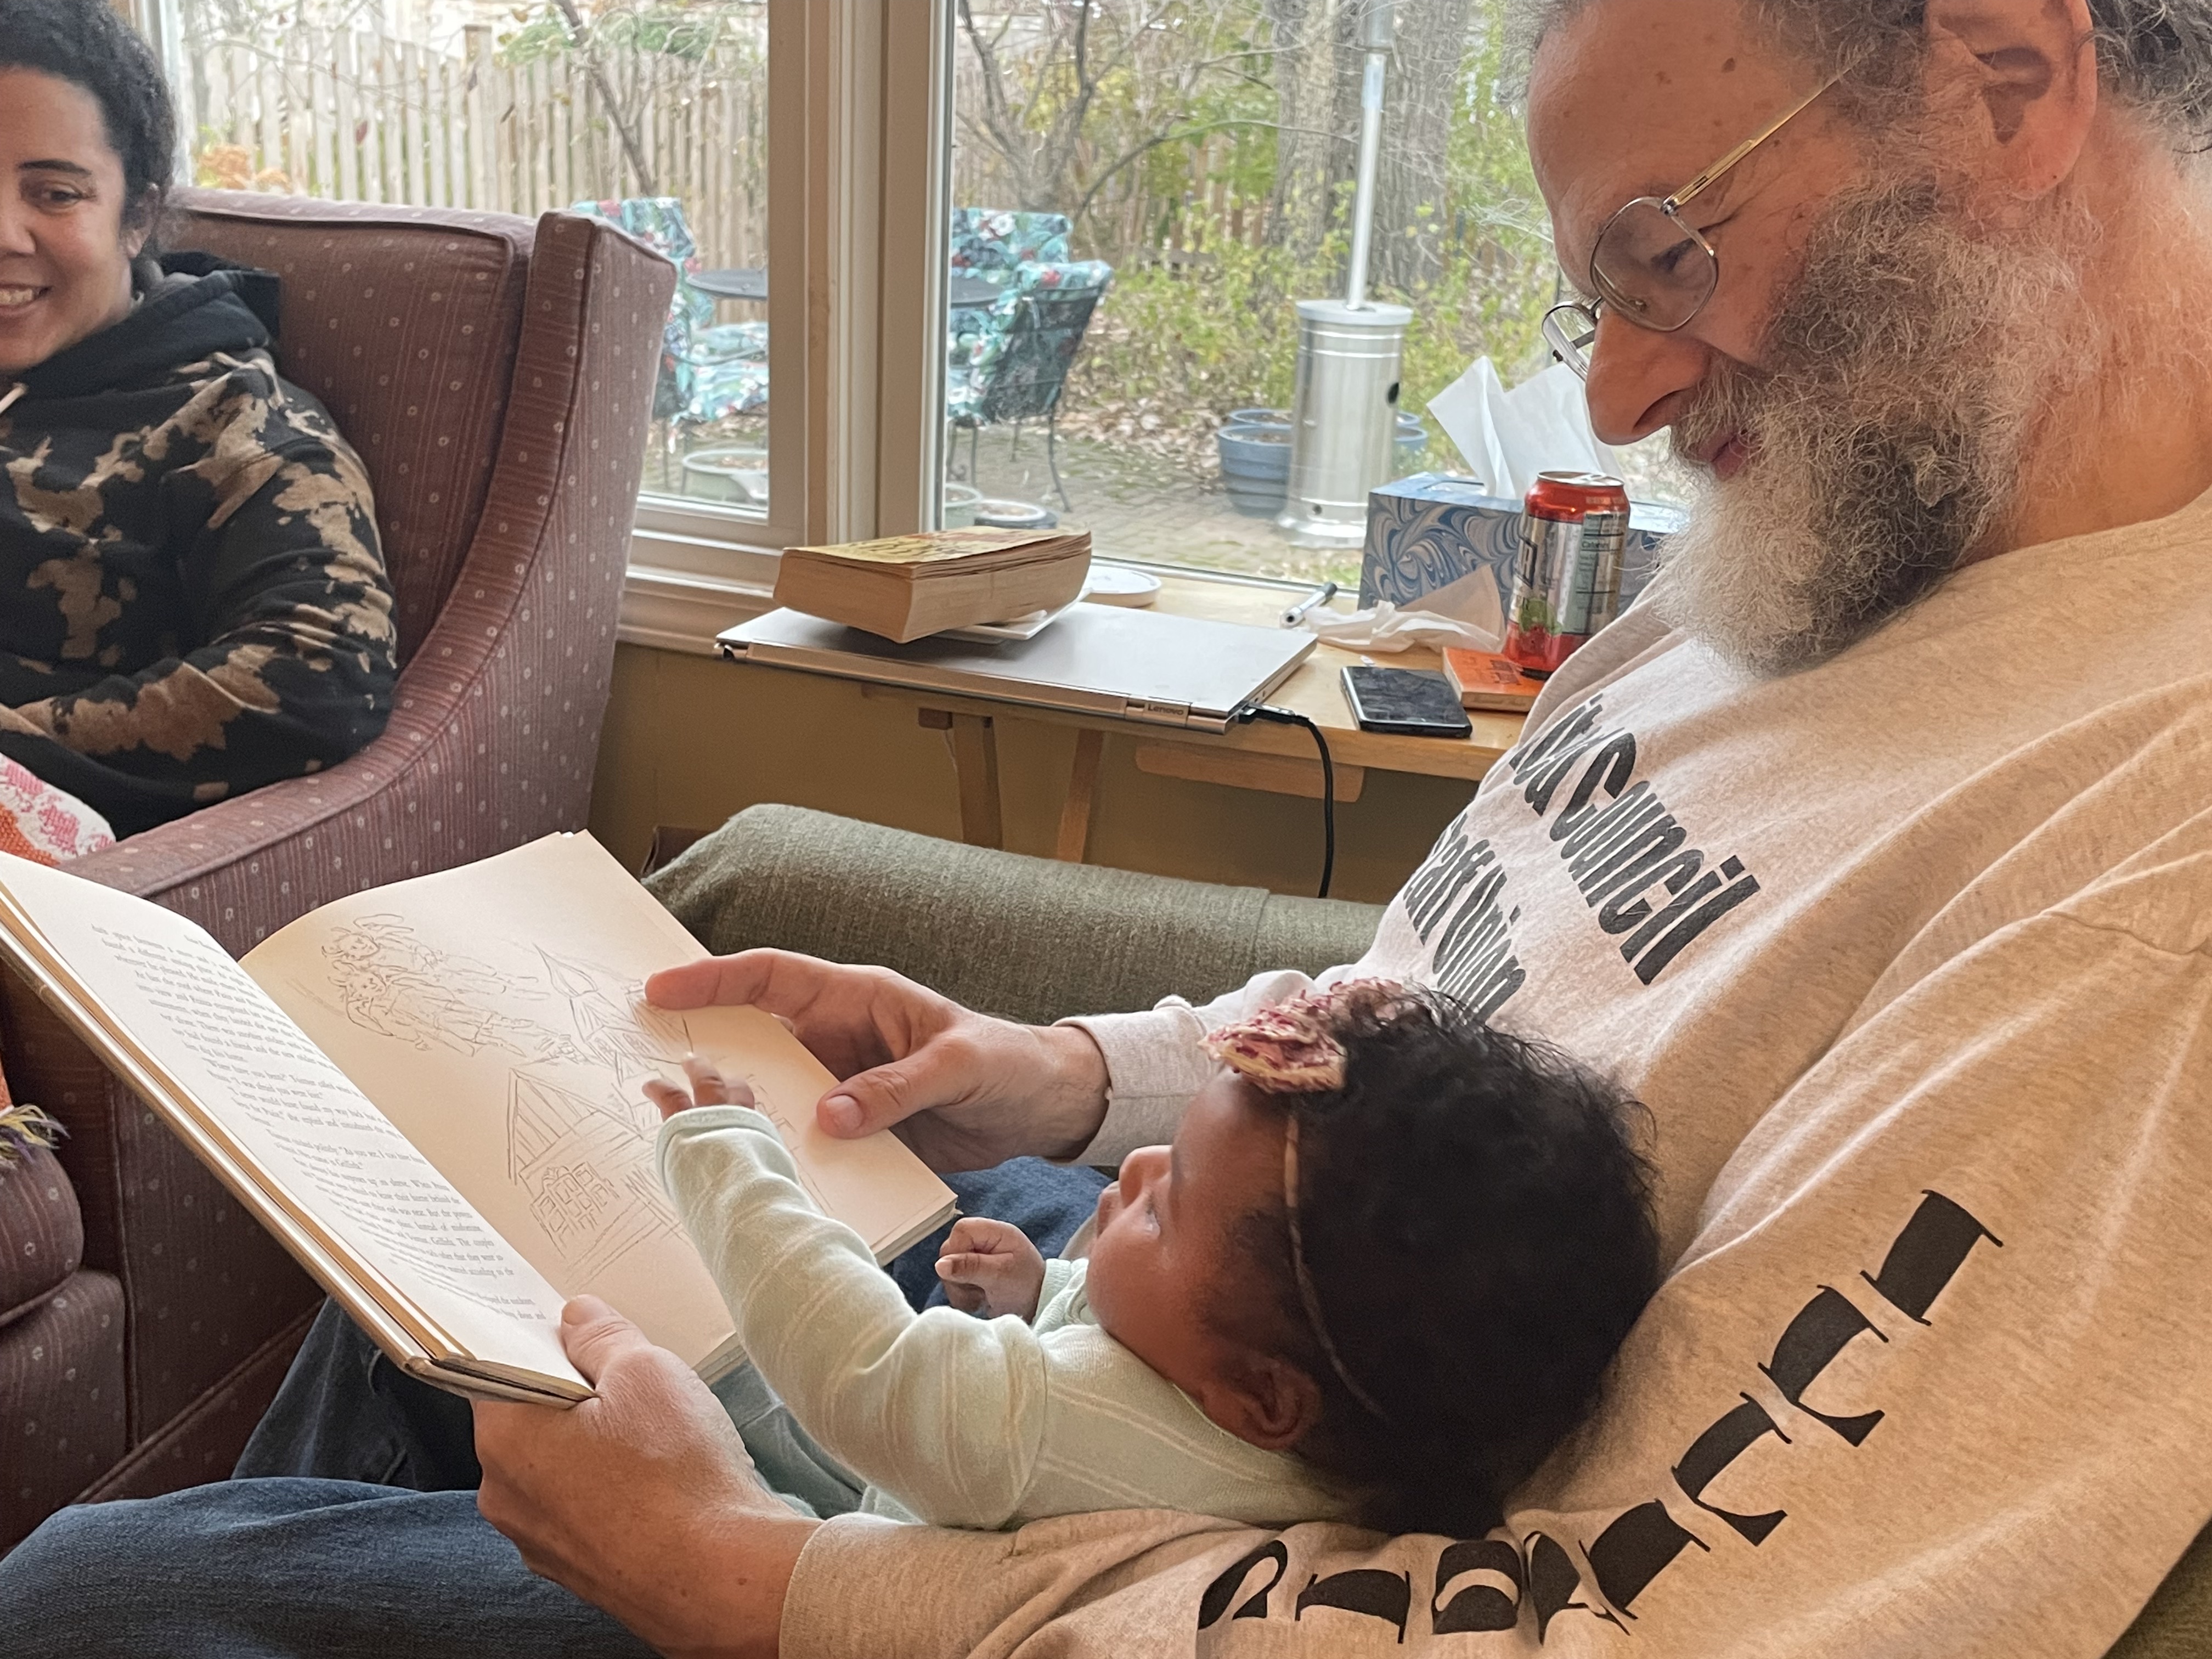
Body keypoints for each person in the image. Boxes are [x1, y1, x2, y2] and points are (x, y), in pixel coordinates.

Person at [2, 0, 2210, 1654]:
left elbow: (1644, 1618)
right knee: (461, 1243)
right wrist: (1068, 1072)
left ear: (2006, 83)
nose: (1620, 392)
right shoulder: (1818, 554)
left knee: (86, 1595)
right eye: (1596, 293)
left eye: (1668, 250)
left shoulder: (2148, 865)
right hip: (1135, 1271)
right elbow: (1423, 1008)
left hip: (1176, 1513)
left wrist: (752, 1586)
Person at [644, 985, 1659, 1536]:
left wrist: (730, 1157)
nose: (1132, 1167)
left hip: (860, 1555)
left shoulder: (1060, 1424)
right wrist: (1048, 1291)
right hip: (938, 1476)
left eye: (1167, 1206)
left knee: (667, 1420)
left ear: (1265, 1397)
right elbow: (1133, 1360)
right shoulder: (1306, 1417)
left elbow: (869, 1373)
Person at [0, 0, 396, 841]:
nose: (3, 232)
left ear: (138, 217)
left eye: (55, 194)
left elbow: (322, 672)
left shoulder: (233, 421)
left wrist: (19, 754)